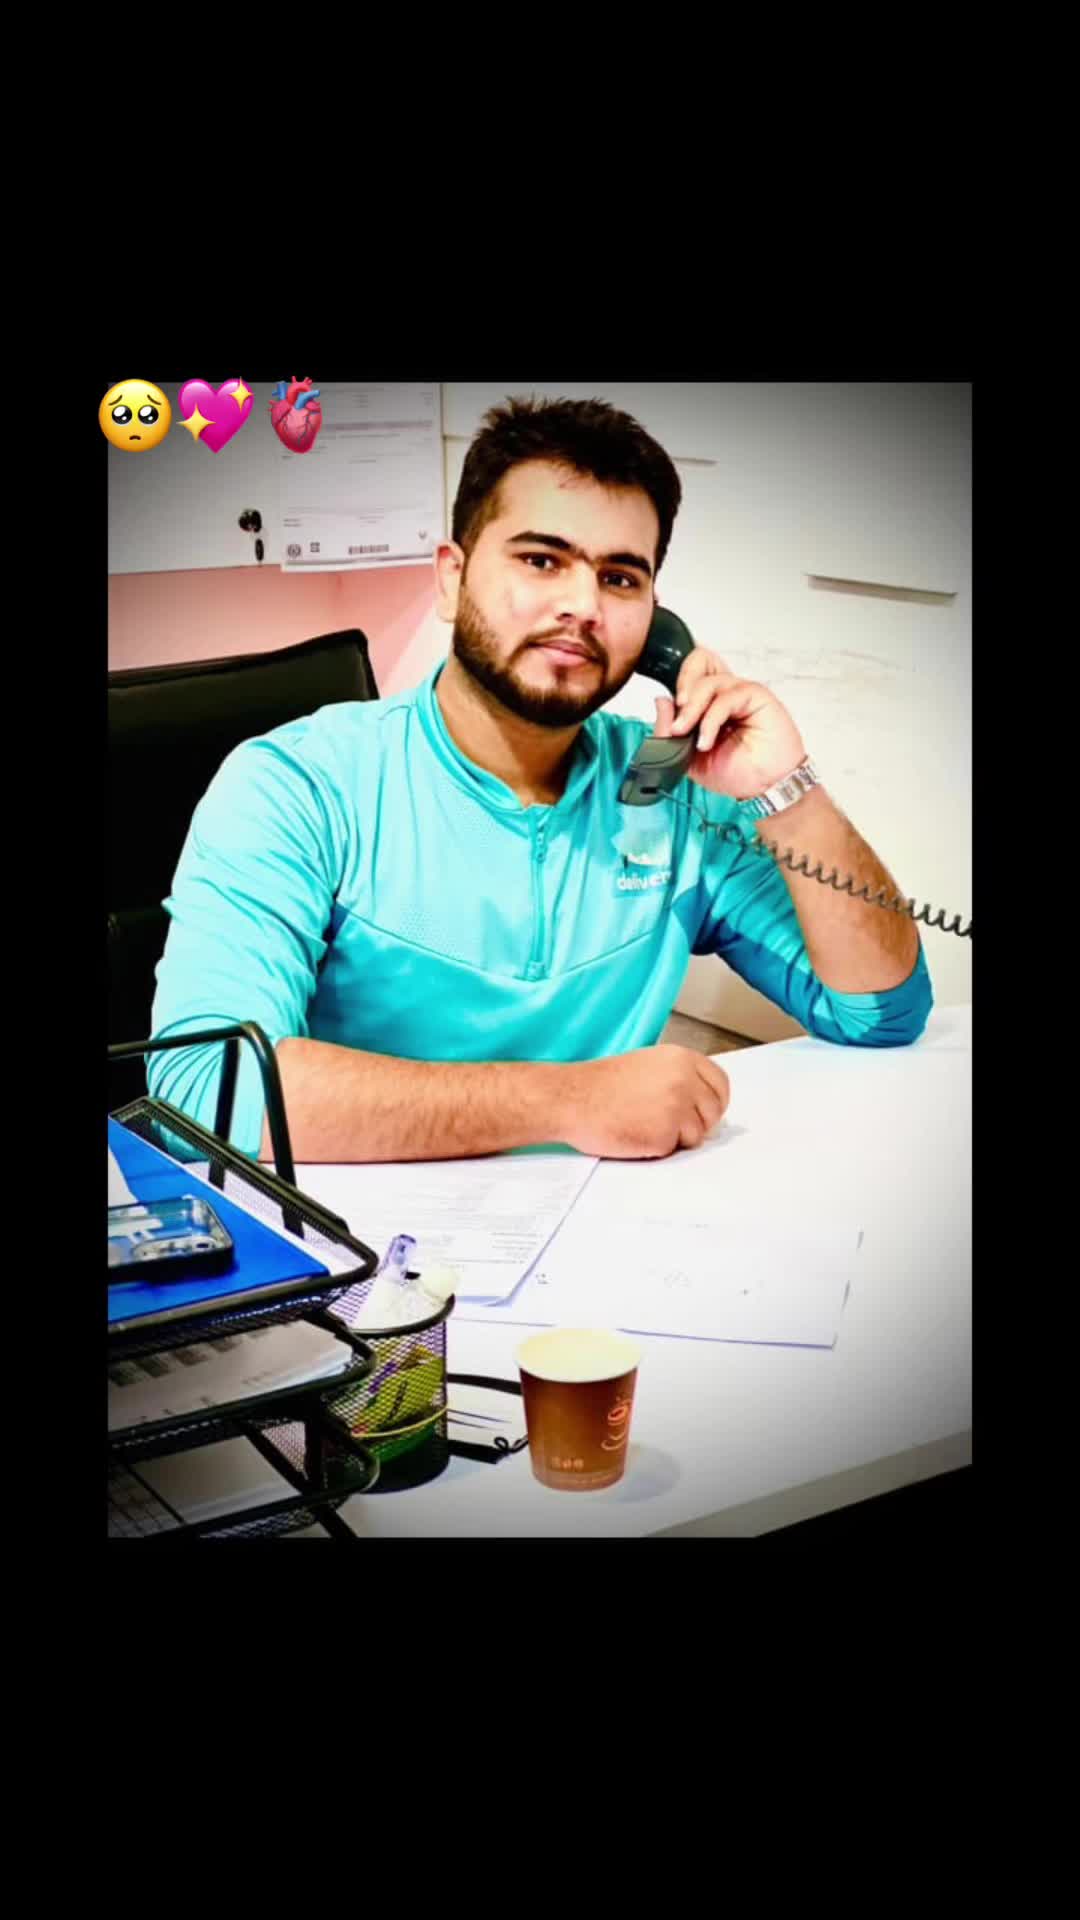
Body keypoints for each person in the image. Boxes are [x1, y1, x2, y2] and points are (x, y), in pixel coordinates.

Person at [147, 395, 932, 1164]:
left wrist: (785, 789)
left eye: (620, 578)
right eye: (541, 560)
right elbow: (202, 1090)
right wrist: (566, 1101)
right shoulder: (298, 787)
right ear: (451, 579)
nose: (583, 606)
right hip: (362, 1240)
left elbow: (880, 1011)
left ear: (655, 621)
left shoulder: (666, 787)